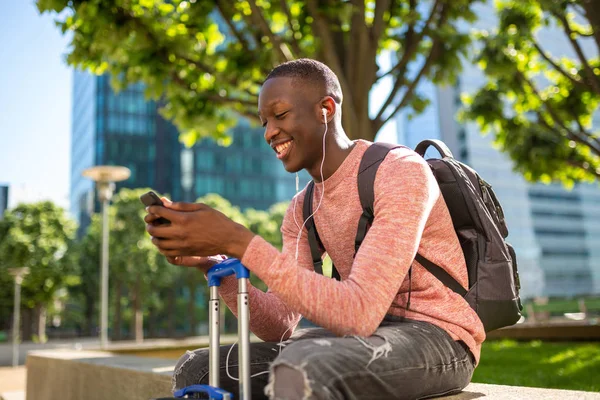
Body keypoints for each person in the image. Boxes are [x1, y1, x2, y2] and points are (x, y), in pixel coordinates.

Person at [145, 58, 485, 400]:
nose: (269, 133)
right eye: (264, 122)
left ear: (326, 109)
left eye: (280, 115)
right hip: (360, 338)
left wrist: (240, 241)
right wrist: (217, 262)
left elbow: (359, 312)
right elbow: (279, 324)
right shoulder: (301, 208)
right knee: (200, 369)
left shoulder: (398, 171)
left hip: (438, 337)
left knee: (307, 365)